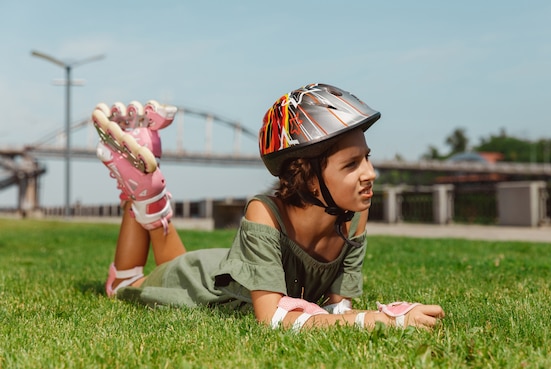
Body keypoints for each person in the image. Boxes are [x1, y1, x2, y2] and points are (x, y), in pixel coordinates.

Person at [92, 83, 445, 330]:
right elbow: (274, 318)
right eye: (351, 165)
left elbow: (336, 309)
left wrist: (363, 318)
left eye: (366, 159)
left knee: (166, 263)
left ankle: (148, 189)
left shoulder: (354, 218)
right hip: (199, 281)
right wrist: (381, 320)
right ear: (307, 176)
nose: (371, 173)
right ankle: (146, 194)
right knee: (123, 286)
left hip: (221, 269)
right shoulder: (264, 212)